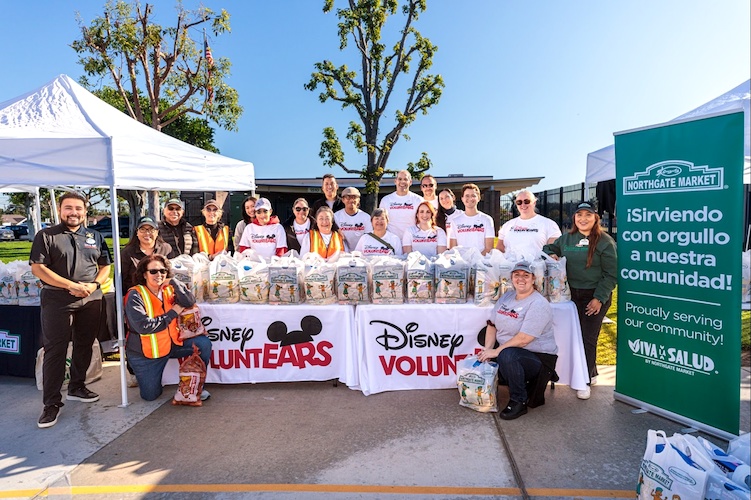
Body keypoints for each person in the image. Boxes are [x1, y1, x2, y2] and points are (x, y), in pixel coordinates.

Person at [30, 192, 112, 428]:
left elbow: (105, 266)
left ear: (85, 211)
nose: (73, 212)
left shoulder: (95, 236)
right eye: (68, 208)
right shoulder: (46, 236)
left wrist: (93, 285)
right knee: (55, 350)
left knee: (85, 344)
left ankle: (77, 386)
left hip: (90, 298)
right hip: (57, 300)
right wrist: (70, 286)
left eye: (78, 208)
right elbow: (38, 268)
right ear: (59, 210)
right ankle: (51, 403)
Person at [543, 202, 617, 400]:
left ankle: (584, 381)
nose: (583, 219)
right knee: (571, 336)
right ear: (574, 218)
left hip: (594, 295)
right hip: (570, 296)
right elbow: (548, 247)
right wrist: (552, 253)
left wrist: (599, 298)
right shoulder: (567, 238)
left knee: (587, 338)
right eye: (579, 215)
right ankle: (590, 372)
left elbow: (611, 275)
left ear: (595, 218)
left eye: (588, 215)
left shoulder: (605, 242)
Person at [124, 254, 212, 402]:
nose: (159, 274)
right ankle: (139, 374)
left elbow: (189, 301)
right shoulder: (135, 295)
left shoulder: (168, 288)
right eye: (153, 271)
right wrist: (173, 313)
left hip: (172, 344)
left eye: (163, 271)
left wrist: (174, 281)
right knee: (150, 396)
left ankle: (195, 386)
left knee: (203, 344)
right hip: (146, 353)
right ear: (144, 274)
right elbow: (144, 327)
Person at [478, 261, 558, 420]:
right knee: (491, 345)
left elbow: (524, 339)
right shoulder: (507, 296)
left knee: (507, 355)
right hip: (512, 350)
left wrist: (496, 351)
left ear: (533, 279)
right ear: (511, 278)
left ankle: (519, 401)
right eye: (517, 275)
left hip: (537, 357)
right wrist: (487, 351)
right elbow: (492, 325)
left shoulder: (538, 304)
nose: (521, 279)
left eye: (526, 275)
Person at [496, 190, 561, 254]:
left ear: (534, 203)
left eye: (527, 201)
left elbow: (553, 251)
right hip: (509, 261)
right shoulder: (507, 225)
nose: (523, 205)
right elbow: (499, 249)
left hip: (538, 261)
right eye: (519, 202)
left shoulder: (549, 224)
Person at [120, 216, 173, 292]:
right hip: (137, 295)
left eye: (151, 229)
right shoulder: (127, 252)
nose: (147, 233)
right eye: (142, 229)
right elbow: (120, 280)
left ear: (157, 232)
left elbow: (172, 274)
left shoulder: (166, 249)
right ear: (137, 232)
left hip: (163, 294)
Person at [449, 183, 495, 255]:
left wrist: (476, 259)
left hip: (481, 260)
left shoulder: (487, 219)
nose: (470, 198)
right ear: (462, 199)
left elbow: (489, 248)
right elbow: (453, 249)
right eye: (467, 196)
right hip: (461, 261)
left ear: (478, 198)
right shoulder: (455, 221)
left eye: (473, 196)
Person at [378, 169, 424, 239]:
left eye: (405, 179)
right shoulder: (386, 200)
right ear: (395, 181)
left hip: (413, 239)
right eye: (400, 179)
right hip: (391, 240)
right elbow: (381, 221)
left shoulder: (419, 200)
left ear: (410, 182)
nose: (402, 182)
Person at [334, 186, 372, 251]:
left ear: (358, 200)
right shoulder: (336, 216)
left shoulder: (366, 217)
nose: (351, 200)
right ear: (343, 200)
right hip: (342, 252)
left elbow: (368, 238)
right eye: (348, 197)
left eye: (354, 197)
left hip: (361, 253)